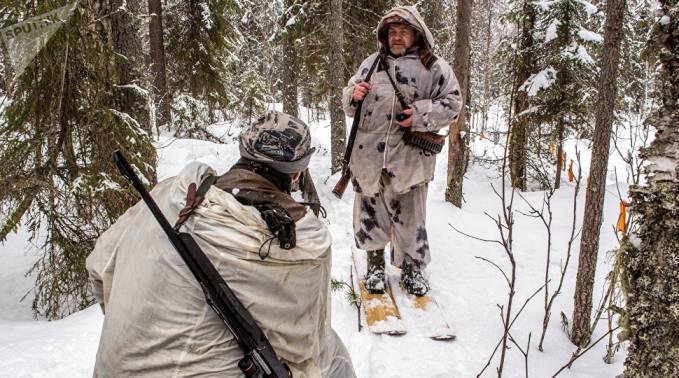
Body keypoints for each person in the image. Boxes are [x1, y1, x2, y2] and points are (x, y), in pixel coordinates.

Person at [86, 110, 355, 378]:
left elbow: (99, 271)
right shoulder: (304, 245)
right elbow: (307, 348)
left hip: (113, 370)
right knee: (334, 356)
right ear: (296, 173)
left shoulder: (171, 197)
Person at [342, 6, 462, 296]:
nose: (397, 37)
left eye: (403, 32)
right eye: (393, 32)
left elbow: (454, 103)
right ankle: (374, 266)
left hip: (409, 159)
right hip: (369, 157)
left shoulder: (433, 67)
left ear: (416, 34)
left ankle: (411, 269)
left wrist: (421, 114)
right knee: (370, 215)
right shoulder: (370, 63)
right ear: (385, 35)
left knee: (411, 217)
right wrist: (353, 95)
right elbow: (348, 103)